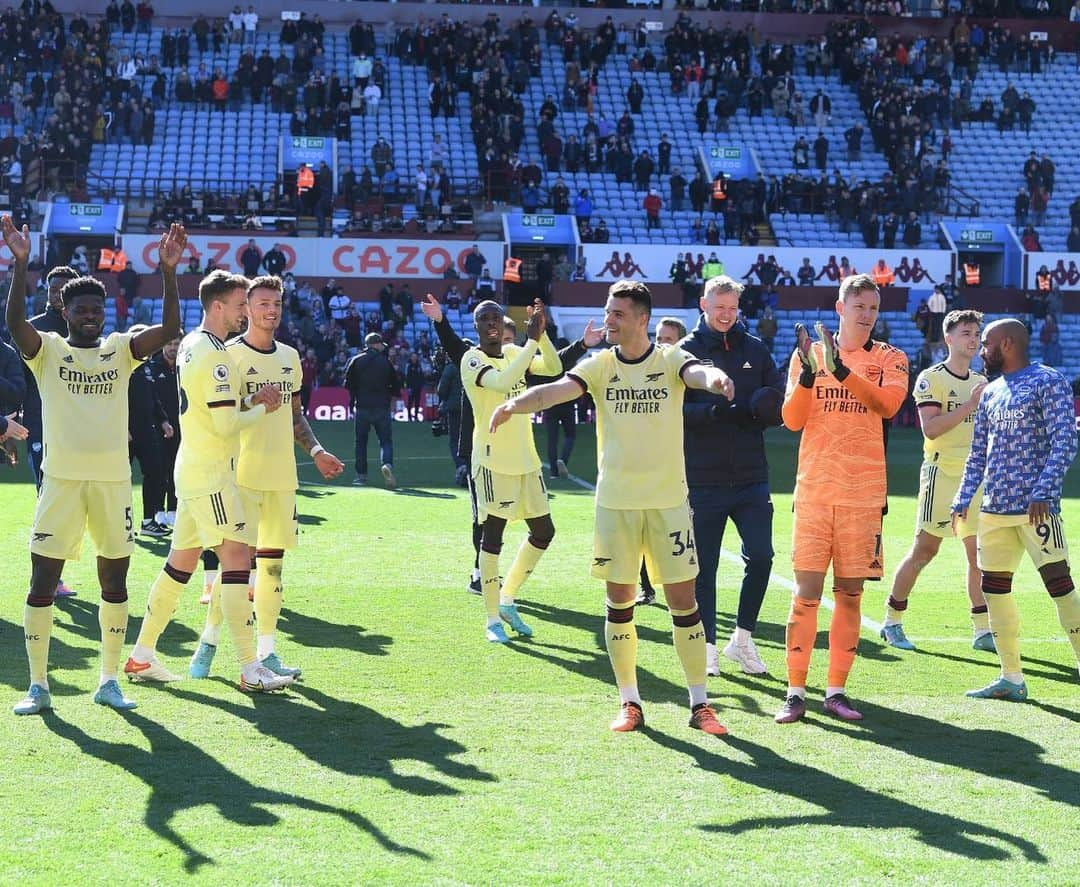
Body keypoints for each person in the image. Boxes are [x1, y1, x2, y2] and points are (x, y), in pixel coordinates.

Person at [489, 280, 734, 736]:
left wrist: (716, 380)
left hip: (668, 504)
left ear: (642, 318)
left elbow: (698, 374)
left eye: (617, 314)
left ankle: (700, 704)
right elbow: (556, 390)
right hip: (616, 505)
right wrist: (514, 406)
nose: (609, 320)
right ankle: (630, 702)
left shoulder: (669, 358)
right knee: (619, 601)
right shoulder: (600, 365)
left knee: (684, 602)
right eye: (608, 312)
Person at [4, 218, 185, 715]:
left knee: (115, 582)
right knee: (42, 582)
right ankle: (39, 685)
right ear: (64, 311)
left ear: (105, 313)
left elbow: (169, 330)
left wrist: (168, 272)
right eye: (80, 309)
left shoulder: (120, 349)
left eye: (96, 309)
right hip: (60, 483)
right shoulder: (48, 351)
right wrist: (20, 263)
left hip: (111, 484)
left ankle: (108, 680)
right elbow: (15, 323)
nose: (89, 316)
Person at [124, 268, 294, 694]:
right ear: (217, 306)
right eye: (240, 305)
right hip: (212, 473)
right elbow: (225, 425)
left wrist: (251, 399)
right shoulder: (216, 355)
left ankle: (142, 655)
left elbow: (214, 407)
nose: (245, 313)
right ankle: (249, 667)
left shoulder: (193, 345)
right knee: (237, 559)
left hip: (193, 469)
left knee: (179, 563)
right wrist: (263, 409)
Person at [191, 276, 344, 681]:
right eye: (261, 303)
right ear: (247, 307)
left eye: (276, 303)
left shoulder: (290, 357)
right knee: (234, 571)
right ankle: (206, 645)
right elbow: (219, 412)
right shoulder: (229, 355)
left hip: (281, 478)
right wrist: (251, 400)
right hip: (239, 477)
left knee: (272, 569)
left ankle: (267, 651)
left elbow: (294, 414)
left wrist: (315, 451)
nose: (270, 310)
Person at [778, 274, 909, 724]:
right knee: (805, 595)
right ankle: (795, 691)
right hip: (815, 492)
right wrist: (814, 376)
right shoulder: (808, 356)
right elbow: (792, 420)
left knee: (850, 596)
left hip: (863, 496)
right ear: (840, 309)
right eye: (859, 307)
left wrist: (841, 371)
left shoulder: (891, 357)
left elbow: (887, 405)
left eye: (873, 308)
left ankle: (836, 690)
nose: (867, 315)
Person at [953, 319, 1080, 701]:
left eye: (986, 343)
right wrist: (963, 497)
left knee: (1061, 588)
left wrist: (1045, 489)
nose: (981, 349)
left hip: (1036, 510)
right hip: (993, 510)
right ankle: (1011, 677)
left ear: (1006, 344)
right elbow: (978, 452)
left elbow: (1065, 439)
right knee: (994, 590)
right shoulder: (990, 392)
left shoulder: (1047, 380)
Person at [680, 276, 784, 677]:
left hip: (751, 476)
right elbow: (672, 412)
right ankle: (706, 645)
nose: (726, 314)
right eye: (718, 306)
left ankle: (741, 639)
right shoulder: (684, 352)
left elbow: (778, 399)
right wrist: (712, 412)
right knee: (703, 569)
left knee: (761, 557)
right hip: (702, 479)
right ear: (703, 305)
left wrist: (764, 411)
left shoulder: (755, 349)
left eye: (732, 307)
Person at [881, 310, 994, 652]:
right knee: (925, 550)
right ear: (948, 338)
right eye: (966, 333)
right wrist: (969, 405)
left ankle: (981, 629)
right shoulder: (932, 378)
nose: (973, 340)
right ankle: (892, 621)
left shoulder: (980, 381)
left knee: (977, 556)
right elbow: (930, 428)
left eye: (976, 334)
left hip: (974, 477)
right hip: (941, 473)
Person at [461, 298, 561, 642]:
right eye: (484, 319)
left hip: (526, 460)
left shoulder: (512, 352)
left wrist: (541, 334)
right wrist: (530, 341)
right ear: (475, 325)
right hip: (493, 462)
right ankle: (491, 620)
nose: (491, 323)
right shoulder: (472, 359)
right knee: (493, 540)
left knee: (544, 531)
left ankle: (507, 598)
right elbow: (503, 384)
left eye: (496, 318)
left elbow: (553, 367)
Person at [636, 315, 688, 606]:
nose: (660, 344)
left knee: (679, 532)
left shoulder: (686, 371)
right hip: (647, 465)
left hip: (681, 467)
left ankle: (684, 589)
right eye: (658, 338)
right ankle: (647, 587)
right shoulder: (643, 371)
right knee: (643, 530)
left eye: (667, 339)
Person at [344, 332, 399, 488]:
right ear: (376, 344)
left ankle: (361, 476)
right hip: (381, 407)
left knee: (361, 443)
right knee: (385, 441)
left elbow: (347, 384)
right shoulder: (385, 362)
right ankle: (387, 464)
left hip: (362, 407)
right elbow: (396, 386)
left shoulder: (356, 361)